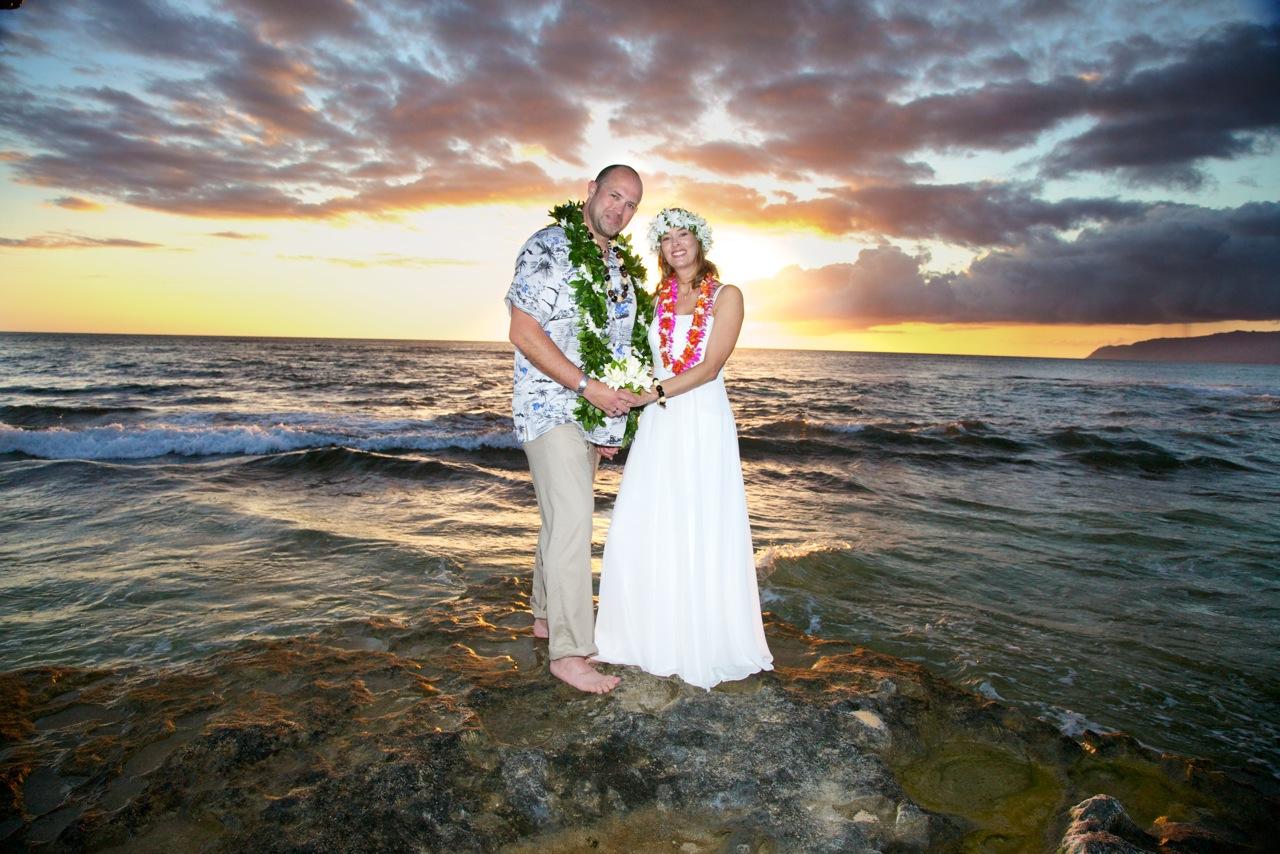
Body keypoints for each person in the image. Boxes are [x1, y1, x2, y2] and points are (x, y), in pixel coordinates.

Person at [594, 208, 774, 690]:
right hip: (659, 421)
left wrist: (651, 393)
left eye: (684, 236)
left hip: (701, 419)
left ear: (700, 243)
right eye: (667, 237)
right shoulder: (655, 298)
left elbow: (712, 364)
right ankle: (641, 635)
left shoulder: (727, 296)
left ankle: (703, 638)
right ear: (659, 248)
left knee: (699, 518)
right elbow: (639, 360)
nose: (676, 244)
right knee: (648, 517)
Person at [505, 164, 645, 694]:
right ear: (591, 191)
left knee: (560, 518)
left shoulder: (619, 269)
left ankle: (544, 616)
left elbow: (617, 349)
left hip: (591, 414)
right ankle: (570, 652)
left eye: (631, 204)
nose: (620, 210)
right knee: (575, 522)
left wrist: (610, 421)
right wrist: (588, 388)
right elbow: (523, 330)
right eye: (614, 196)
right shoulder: (549, 246)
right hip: (549, 407)